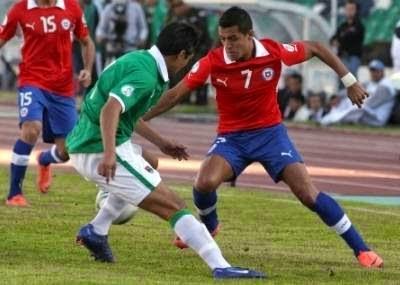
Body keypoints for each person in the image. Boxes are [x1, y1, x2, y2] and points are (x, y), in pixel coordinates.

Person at [143, 6, 383, 268]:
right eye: (223, 39)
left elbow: (316, 47)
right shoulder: (213, 61)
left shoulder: (272, 51)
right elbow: (175, 94)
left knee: (307, 194)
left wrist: (350, 81)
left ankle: (362, 250)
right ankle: (210, 227)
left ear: (249, 35)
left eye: (233, 38)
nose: (227, 45)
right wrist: (139, 117)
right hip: (232, 138)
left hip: (270, 135)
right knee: (203, 183)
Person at [66, 22, 265, 279]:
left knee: (152, 162)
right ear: (182, 55)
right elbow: (110, 110)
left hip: (89, 141)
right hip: (95, 148)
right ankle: (221, 266)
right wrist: (108, 154)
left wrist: (162, 143)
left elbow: (127, 113)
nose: (187, 64)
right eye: (188, 59)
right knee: (175, 206)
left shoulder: (141, 60)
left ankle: (97, 230)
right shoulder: (146, 76)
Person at [1, 0, 95, 206]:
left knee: (69, 150)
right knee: (31, 129)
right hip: (31, 81)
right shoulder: (20, 10)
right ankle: (14, 194)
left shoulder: (71, 8)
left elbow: (86, 41)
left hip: (62, 88)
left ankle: (44, 159)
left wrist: (87, 69)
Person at [321, 59, 396, 127]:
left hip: (377, 117)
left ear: (382, 71)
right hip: (367, 112)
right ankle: (329, 116)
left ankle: (331, 120)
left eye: (376, 71)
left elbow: (371, 104)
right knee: (346, 100)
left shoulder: (386, 86)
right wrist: (338, 96)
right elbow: (354, 88)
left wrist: (354, 105)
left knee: (359, 108)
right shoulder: (370, 83)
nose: (373, 73)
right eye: (372, 71)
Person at [330, 0, 364, 78]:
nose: (349, 12)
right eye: (348, 9)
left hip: (353, 57)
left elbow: (350, 38)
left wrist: (340, 40)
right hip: (342, 57)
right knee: (341, 80)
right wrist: (338, 40)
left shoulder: (359, 26)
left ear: (356, 11)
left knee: (350, 78)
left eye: (352, 9)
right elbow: (333, 39)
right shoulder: (342, 26)